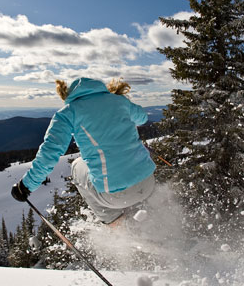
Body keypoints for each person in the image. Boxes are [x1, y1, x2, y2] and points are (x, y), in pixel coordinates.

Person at [10, 77, 157, 226]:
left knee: (76, 165)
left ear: (68, 94)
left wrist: (26, 186)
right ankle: (143, 211)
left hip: (115, 196)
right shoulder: (118, 101)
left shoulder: (68, 113)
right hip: (149, 182)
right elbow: (142, 118)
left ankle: (114, 222)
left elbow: (50, 152)